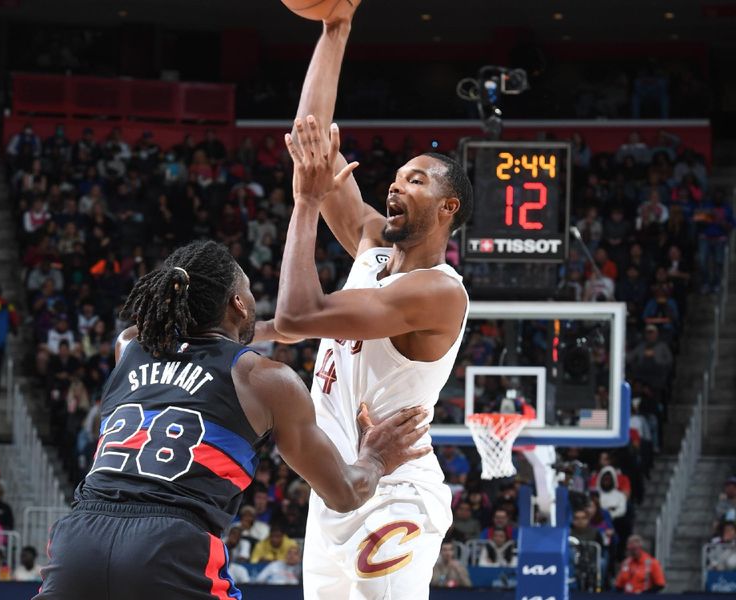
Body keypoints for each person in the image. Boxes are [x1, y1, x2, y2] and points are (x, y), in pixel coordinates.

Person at [35, 240, 430, 600]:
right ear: (238, 304)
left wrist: (264, 328)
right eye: (247, 292)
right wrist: (376, 458)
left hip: (79, 539)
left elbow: (174, 331)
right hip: (170, 543)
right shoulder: (265, 379)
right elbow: (344, 494)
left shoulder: (131, 346)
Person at [273, 5, 472, 598]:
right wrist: (335, 30)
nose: (395, 183)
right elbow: (311, 138)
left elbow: (298, 317)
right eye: (396, 175)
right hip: (339, 483)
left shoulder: (437, 293)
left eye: (416, 180)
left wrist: (306, 204)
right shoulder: (371, 242)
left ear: (447, 209)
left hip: (395, 491)